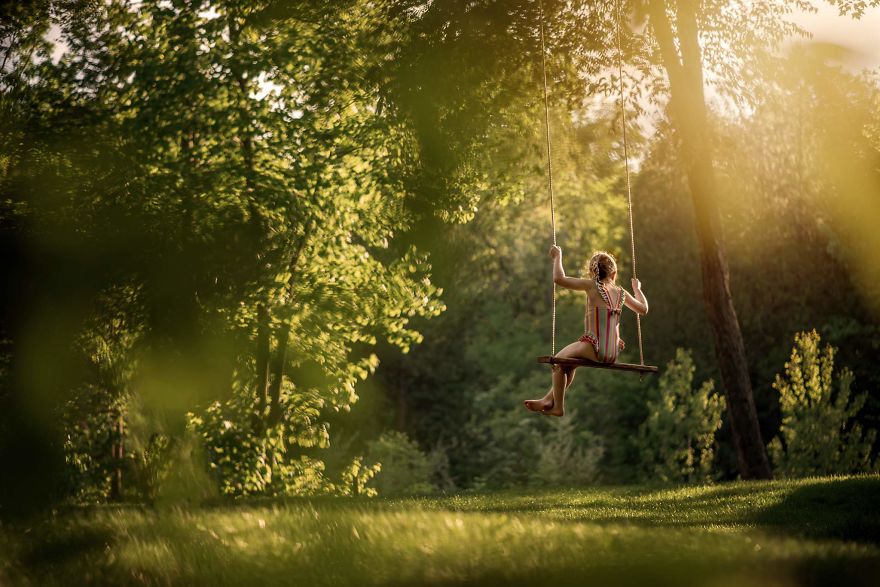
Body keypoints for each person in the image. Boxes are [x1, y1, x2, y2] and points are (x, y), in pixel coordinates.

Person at [524, 246, 648, 417]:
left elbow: (559, 278)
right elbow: (643, 309)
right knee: (569, 365)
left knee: (557, 363)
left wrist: (558, 256)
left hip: (594, 348)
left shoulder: (591, 286)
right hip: (612, 353)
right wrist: (638, 289)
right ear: (613, 274)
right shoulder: (622, 293)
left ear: (592, 273)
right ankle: (547, 399)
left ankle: (557, 406)